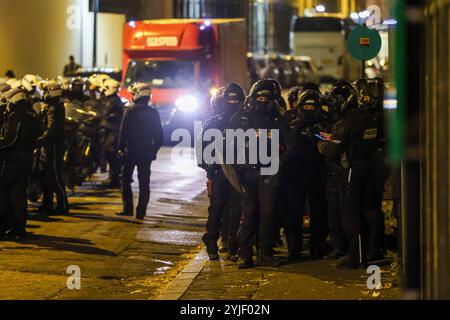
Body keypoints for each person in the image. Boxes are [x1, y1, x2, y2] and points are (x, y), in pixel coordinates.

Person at [317, 81, 385, 269]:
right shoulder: (369, 118)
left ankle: (357, 257)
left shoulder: (344, 124)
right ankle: (373, 251)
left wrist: (322, 145)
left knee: (350, 216)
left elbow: (332, 152)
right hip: (371, 170)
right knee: (369, 211)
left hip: (351, 172)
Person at [229, 79, 283, 269]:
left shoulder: (277, 119)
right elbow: (230, 146)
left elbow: (285, 145)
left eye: (266, 98)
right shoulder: (240, 117)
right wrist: (238, 169)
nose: (263, 101)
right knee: (249, 213)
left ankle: (265, 253)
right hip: (248, 173)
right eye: (259, 97)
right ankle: (245, 254)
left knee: (268, 214)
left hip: (268, 171)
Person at [199, 83, 245, 261]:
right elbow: (203, 150)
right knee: (216, 209)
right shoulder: (214, 122)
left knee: (236, 210)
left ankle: (232, 245)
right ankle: (211, 242)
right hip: (219, 172)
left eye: (236, 99)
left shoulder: (245, 121)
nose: (233, 102)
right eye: (230, 99)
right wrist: (211, 168)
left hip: (239, 172)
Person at [116, 83, 163, 220]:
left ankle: (128, 209)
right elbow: (159, 136)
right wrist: (153, 151)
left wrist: (120, 148)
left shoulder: (130, 111)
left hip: (131, 151)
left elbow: (123, 132)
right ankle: (141, 212)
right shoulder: (154, 113)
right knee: (144, 183)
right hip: (146, 152)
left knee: (125, 180)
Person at [0, 87, 41, 240]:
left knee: (3, 190)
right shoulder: (31, 116)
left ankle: (4, 224)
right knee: (18, 194)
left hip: (13, 160)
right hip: (27, 159)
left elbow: (10, 139)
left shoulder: (15, 116)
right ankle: (18, 227)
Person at [37, 80, 69, 215]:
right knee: (47, 176)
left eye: (46, 91)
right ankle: (47, 204)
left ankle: (62, 206)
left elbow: (51, 129)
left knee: (55, 177)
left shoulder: (53, 108)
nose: (44, 94)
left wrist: (40, 139)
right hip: (53, 145)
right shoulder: (55, 105)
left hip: (54, 146)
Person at [99, 78, 124, 188]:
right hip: (113, 129)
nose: (103, 90)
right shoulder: (115, 99)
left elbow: (103, 113)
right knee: (110, 153)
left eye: (105, 88)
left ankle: (114, 179)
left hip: (114, 130)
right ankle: (113, 178)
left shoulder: (113, 101)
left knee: (110, 152)